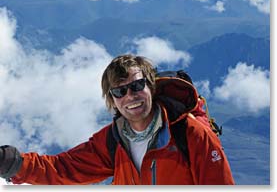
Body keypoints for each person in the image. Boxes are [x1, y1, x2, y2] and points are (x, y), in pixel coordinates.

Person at [0, 54, 235, 185]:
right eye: (119, 91)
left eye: (137, 86)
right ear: (112, 100)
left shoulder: (191, 135)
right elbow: (64, 168)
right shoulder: (114, 140)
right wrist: (14, 163)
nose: (130, 96)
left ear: (151, 87)